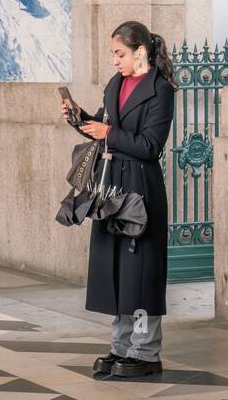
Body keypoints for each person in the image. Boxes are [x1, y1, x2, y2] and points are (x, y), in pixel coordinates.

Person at [62, 21, 177, 378]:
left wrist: (109, 132)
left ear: (140, 52)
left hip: (141, 191)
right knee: (118, 271)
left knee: (141, 273)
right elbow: (102, 125)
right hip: (110, 188)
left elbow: (149, 146)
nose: (114, 61)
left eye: (120, 54)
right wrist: (79, 117)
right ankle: (120, 346)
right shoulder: (116, 84)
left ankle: (145, 353)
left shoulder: (161, 90)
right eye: (113, 54)